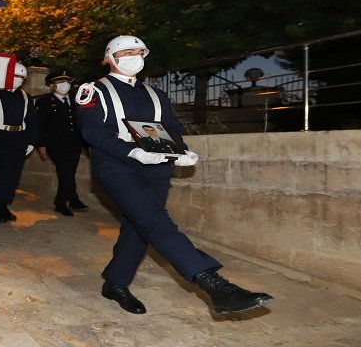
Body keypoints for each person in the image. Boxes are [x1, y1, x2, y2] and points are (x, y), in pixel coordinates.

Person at [75, 35, 273, 315]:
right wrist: (133, 152)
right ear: (110, 58)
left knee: (140, 226)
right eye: (126, 52)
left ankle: (115, 283)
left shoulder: (156, 93)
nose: (134, 56)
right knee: (155, 222)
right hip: (117, 166)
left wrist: (181, 152)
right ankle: (213, 284)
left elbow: (170, 129)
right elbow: (93, 132)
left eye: (138, 51)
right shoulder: (93, 90)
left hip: (157, 168)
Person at [0, 62, 38, 223]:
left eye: (21, 77)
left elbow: (32, 121)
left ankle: (5, 204)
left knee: (14, 173)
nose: (17, 80)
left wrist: (31, 142)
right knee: (4, 171)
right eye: (14, 76)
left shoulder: (26, 97)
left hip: (19, 137)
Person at [35, 69, 88, 216]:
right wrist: (40, 144)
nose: (64, 84)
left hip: (74, 143)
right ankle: (73, 199)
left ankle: (60, 203)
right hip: (55, 144)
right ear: (52, 85)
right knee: (65, 171)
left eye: (66, 81)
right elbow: (40, 125)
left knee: (68, 173)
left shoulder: (75, 101)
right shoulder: (44, 102)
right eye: (60, 82)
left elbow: (80, 123)